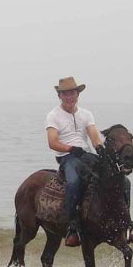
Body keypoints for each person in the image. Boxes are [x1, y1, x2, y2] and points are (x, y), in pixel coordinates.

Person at [46, 77, 104, 247]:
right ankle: (72, 226)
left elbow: (93, 135)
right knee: (73, 182)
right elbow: (52, 142)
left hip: (85, 155)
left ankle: (126, 224)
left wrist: (100, 148)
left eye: (72, 93)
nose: (69, 97)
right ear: (60, 96)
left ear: (77, 94)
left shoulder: (86, 114)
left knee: (119, 178)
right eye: (65, 94)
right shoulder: (53, 115)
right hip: (67, 157)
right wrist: (70, 149)